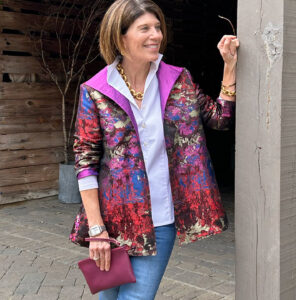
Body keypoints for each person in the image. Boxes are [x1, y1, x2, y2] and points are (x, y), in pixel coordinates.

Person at [70, 0, 239, 299]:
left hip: (161, 219)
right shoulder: (95, 91)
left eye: (157, 27)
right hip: (112, 224)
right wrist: (97, 230)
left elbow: (219, 119)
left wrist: (228, 67)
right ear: (120, 38)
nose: (156, 35)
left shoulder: (178, 80)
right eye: (144, 28)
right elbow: (85, 163)